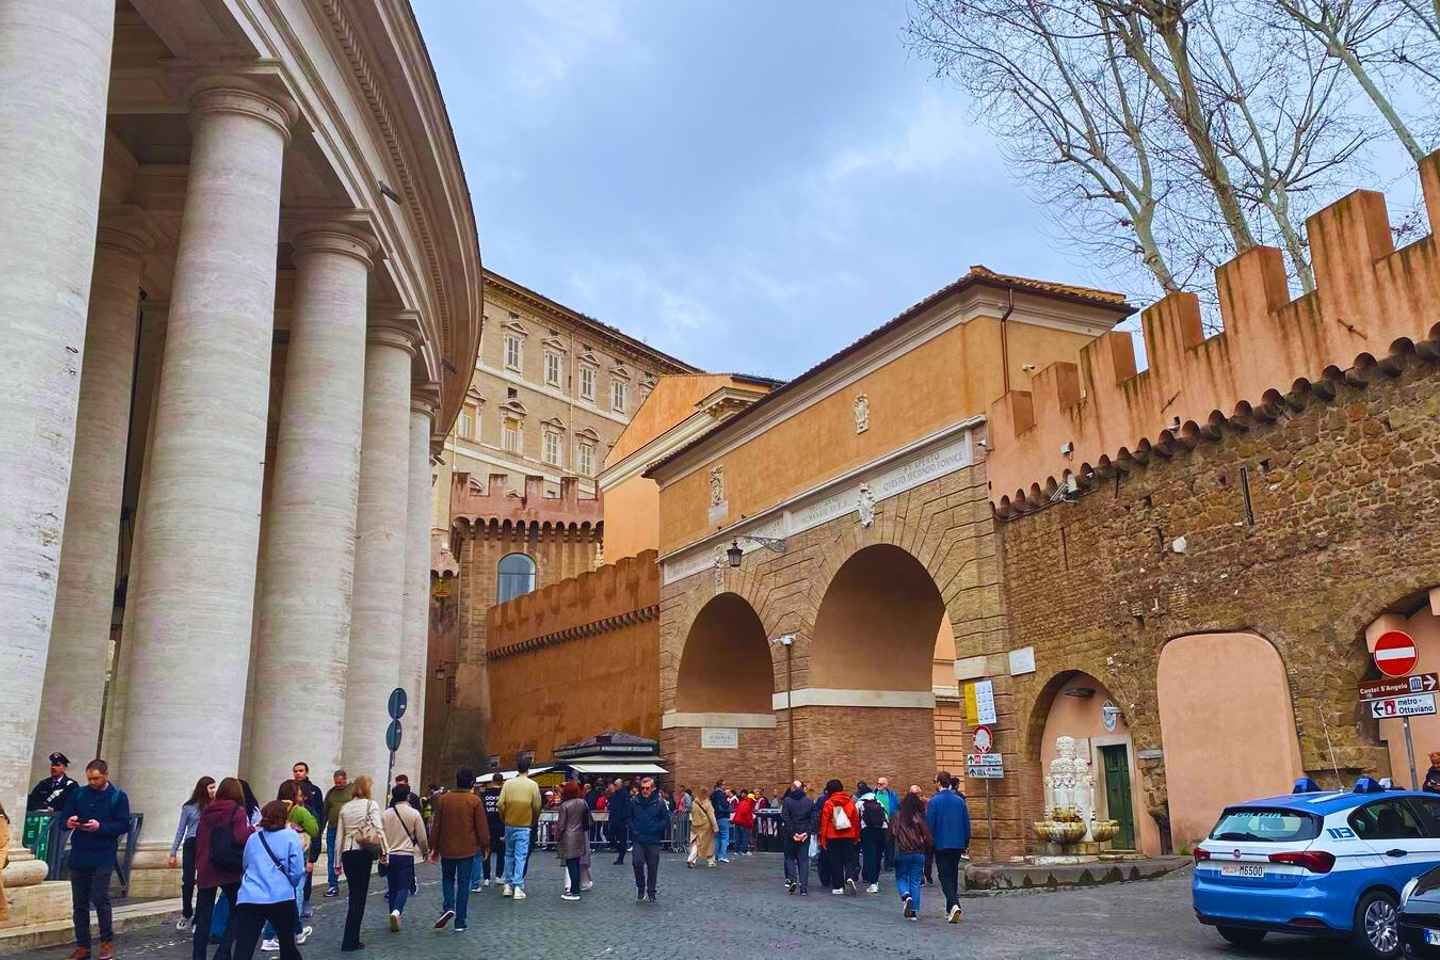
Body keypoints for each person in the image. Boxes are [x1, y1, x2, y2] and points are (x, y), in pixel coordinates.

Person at [58, 759, 130, 960]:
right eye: (89, 778)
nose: (92, 782)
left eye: (96, 778)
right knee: (79, 903)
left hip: (103, 854)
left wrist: (101, 827)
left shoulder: (118, 797)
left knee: (100, 898)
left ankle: (106, 942)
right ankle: (83, 946)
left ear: (106, 775)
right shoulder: (78, 794)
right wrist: (69, 821)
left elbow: (123, 825)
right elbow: (63, 819)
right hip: (80, 853)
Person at [230, 801, 307, 960]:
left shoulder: (253, 838)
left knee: (244, 948)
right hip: (281, 896)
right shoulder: (291, 836)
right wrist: (290, 883)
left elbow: (246, 864)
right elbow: (297, 869)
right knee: (287, 945)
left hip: (251, 896)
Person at [193, 777, 252, 960]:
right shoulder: (237, 811)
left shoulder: (207, 810)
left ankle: (198, 957)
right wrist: (253, 830)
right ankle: (223, 951)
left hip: (206, 867)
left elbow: (200, 839)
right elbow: (241, 837)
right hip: (227, 868)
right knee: (239, 909)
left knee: (203, 918)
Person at [258, 781, 317, 950]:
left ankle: (295, 931)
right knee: (294, 895)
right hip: (293, 857)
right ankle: (282, 934)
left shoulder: (273, 808)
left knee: (277, 897)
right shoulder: (299, 811)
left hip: (273, 859)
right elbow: (314, 829)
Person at [428, 768, 487, 931]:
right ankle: (460, 921)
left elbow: (437, 825)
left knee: (447, 879)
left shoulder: (444, 799)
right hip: (467, 848)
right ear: (471, 783)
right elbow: (481, 827)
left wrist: (434, 847)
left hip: (447, 847)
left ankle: (448, 906)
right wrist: (485, 845)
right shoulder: (474, 801)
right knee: (463, 883)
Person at [336, 775, 388, 951]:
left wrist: (337, 862)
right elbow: (379, 829)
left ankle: (350, 938)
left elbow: (339, 836)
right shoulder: (370, 805)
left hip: (347, 853)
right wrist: (385, 851)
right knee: (359, 898)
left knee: (354, 895)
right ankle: (351, 940)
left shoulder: (345, 807)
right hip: (362, 852)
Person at [169, 777, 216, 932]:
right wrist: (173, 852)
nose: (214, 791)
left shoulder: (215, 805)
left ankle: (199, 918)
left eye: (214, 787)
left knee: (204, 882)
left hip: (207, 844)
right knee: (188, 880)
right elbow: (181, 829)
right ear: (203, 789)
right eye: (211, 787)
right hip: (191, 843)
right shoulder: (189, 807)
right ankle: (186, 913)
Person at [925, 771, 972, 924]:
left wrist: (929, 844)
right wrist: (966, 842)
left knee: (944, 876)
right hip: (958, 843)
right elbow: (966, 823)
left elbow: (929, 825)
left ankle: (954, 904)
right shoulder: (959, 801)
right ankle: (949, 908)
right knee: (952, 875)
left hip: (941, 844)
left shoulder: (934, 801)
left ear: (939, 783)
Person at [382, 784, 428, 931]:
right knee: (403, 887)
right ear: (408, 796)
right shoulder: (414, 814)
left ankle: (392, 915)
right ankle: (397, 912)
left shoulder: (386, 814)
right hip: (405, 854)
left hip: (390, 854)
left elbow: (380, 835)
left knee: (392, 887)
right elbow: (422, 837)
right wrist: (425, 851)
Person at [497, 756, 542, 900]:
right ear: (528, 769)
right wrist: (533, 819)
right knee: (520, 856)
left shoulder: (508, 784)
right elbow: (537, 805)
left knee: (508, 855)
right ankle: (518, 886)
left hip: (509, 824)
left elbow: (500, 804)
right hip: (524, 825)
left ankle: (507, 885)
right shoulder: (532, 785)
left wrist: (504, 817)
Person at [286, 763, 325, 916]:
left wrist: (313, 855)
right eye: (295, 771)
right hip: (291, 844)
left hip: (305, 842)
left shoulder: (314, 791)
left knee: (303, 880)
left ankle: (304, 904)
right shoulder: (288, 788)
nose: (298, 773)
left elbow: (318, 817)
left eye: (301, 771)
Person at [891, 792, 932, 921]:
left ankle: (905, 895)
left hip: (902, 852)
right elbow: (927, 836)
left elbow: (892, 834)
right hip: (919, 852)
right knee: (915, 881)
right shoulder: (918, 817)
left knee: (901, 877)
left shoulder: (897, 816)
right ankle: (913, 912)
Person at [818, 779, 860, 896]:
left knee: (835, 861)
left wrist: (823, 839)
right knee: (849, 859)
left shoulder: (828, 803)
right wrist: (856, 836)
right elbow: (855, 821)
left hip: (833, 836)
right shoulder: (850, 802)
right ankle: (849, 876)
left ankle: (838, 886)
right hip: (848, 835)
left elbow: (824, 822)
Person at [629, 777, 667, 903]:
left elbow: (665, 819)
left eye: (647, 788)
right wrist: (634, 829)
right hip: (638, 838)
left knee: (652, 866)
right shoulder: (634, 802)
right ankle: (641, 887)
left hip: (653, 839)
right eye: (642, 788)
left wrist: (657, 828)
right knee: (637, 863)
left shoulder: (660, 803)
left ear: (653, 788)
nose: (645, 790)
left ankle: (651, 891)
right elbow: (629, 818)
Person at [554, 782, 591, 901]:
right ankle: (576, 889)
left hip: (568, 838)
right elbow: (588, 821)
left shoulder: (564, 805)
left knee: (571, 865)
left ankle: (574, 891)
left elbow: (561, 825)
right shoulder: (583, 803)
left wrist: (557, 836)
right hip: (580, 836)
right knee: (577, 863)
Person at [780, 781, 815, 895]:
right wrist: (806, 833)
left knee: (790, 858)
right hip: (804, 834)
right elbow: (813, 819)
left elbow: (785, 817)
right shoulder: (809, 801)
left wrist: (793, 833)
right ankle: (803, 887)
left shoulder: (787, 801)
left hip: (791, 834)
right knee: (803, 860)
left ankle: (792, 880)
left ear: (793, 788)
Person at [321, 770, 352, 898]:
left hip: (349, 830)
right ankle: (333, 885)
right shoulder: (331, 793)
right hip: (333, 829)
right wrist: (321, 829)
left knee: (349, 858)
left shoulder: (352, 790)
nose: (338, 785)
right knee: (332, 858)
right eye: (336, 782)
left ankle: (353, 885)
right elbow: (324, 812)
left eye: (340, 782)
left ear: (345, 779)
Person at [475, 773, 506, 890]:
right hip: (501, 826)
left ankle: (486, 878)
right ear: (502, 782)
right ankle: (499, 876)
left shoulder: (485, 794)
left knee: (486, 852)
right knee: (501, 852)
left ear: (492, 781)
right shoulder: (504, 793)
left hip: (487, 826)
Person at [857, 782, 889, 893]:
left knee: (869, 857)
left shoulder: (860, 803)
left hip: (867, 832)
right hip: (881, 830)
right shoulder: (878, 802)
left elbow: (856, 819)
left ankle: (873, 883)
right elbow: (886, 817)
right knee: (878, 857)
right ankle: (876, 879)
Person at [688, 789, 718, 867]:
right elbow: (712, 816)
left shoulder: (694, 803)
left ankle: (692, 860)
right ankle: (710, 861)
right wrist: (715, 827)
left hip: (695, 825)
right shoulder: (708, 803)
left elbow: (691, 814)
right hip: (706, 826)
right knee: (708, 844)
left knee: (695, 843)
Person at [875, 776, 899, 870]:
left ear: (886, 785)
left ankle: (888, 864)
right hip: (877, 824)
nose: (879, 785)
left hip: (889, 823)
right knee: (877, 845)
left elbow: (897, 807)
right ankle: (876, 864)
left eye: (881, 784)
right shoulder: (873, 794)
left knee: (889, 845)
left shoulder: (892, 795)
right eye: (878, 783)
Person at [607, 777, 632, 864]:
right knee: (610, 836)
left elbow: (627, 807)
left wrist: (625, 819)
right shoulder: (615, 794)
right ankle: (620, 849)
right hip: (614, 820)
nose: (615, 786)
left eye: (616, 784)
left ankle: (620, 858)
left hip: (621, 821)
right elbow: (613, 806)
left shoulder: (624, 794)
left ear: (620, 785)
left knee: (622, 840)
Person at [709, 780, 732, 863]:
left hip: (715, 817)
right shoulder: (721, 794)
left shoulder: (713, 794)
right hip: (723, 817)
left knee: (717, 837)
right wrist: (728, 799)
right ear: (721, 785)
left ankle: (715, 855)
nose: (725, 786)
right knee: (725, 837)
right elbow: (724, 806)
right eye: (724, 785)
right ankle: (722, 856)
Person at [732, 789, 756, 856]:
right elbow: (748, 815)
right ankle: (743, 851)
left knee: (737, 837)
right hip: (744, 822)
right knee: (745, 837)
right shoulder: (749, 804)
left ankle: (736, 851)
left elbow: (738, 811)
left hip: (737, 821)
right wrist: (750, 824)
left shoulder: (741, 802)